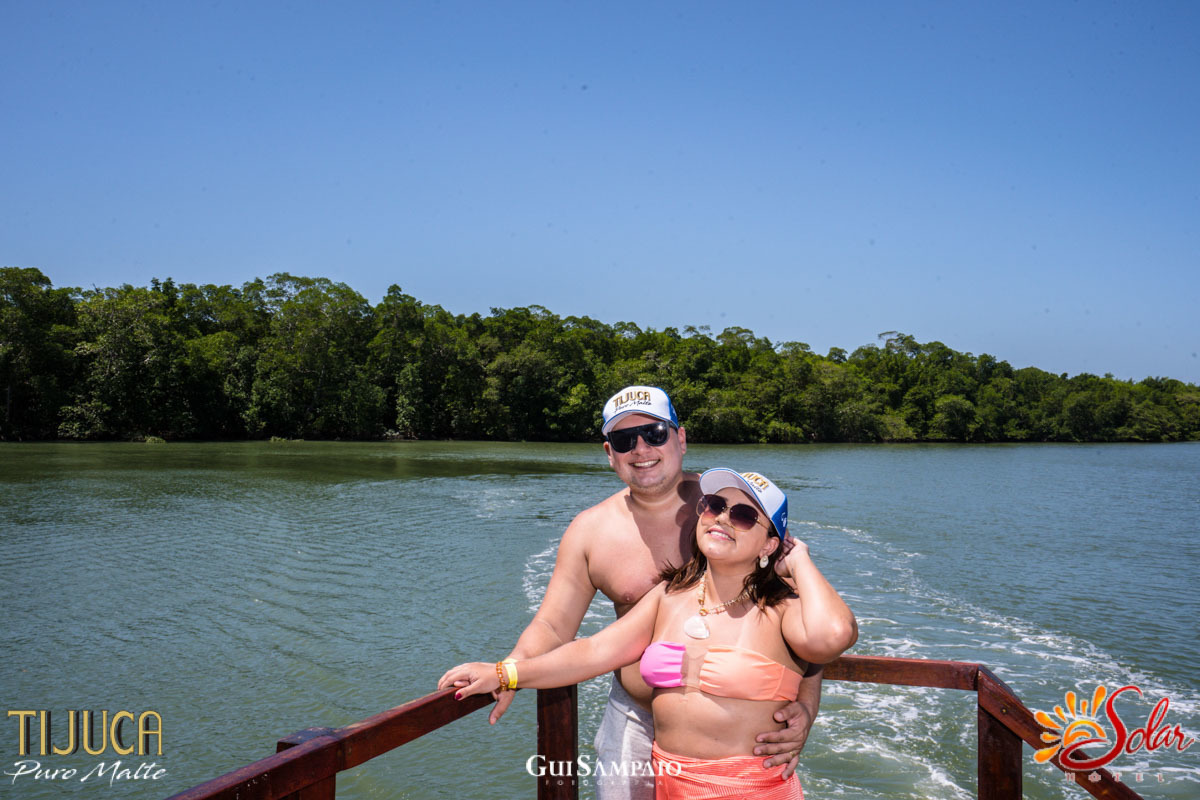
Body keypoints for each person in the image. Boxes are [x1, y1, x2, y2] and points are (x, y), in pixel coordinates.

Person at [455, 386, 857, 799]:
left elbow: (806, 619)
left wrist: (805, 706)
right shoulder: (591, 531)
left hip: (739, 736)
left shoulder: (731, 505)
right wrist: (509, 671)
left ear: (680, 438)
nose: (641, 448)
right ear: (610, 453)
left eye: (655, 433)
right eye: (625, 440)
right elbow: (557, 627)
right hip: (633, 713)